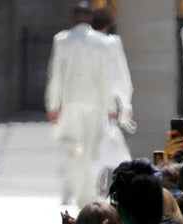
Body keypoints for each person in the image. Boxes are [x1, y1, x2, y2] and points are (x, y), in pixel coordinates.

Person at [45, 2, 133, 207]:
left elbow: (56, 75)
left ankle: (81, 192)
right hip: (94, 103)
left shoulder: (63, 39)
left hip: (72, 101)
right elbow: (105, 76)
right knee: (91, 151)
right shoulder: (101, 42)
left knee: (76, 148)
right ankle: (86, 193)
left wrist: (53, 104)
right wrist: (109, 106)